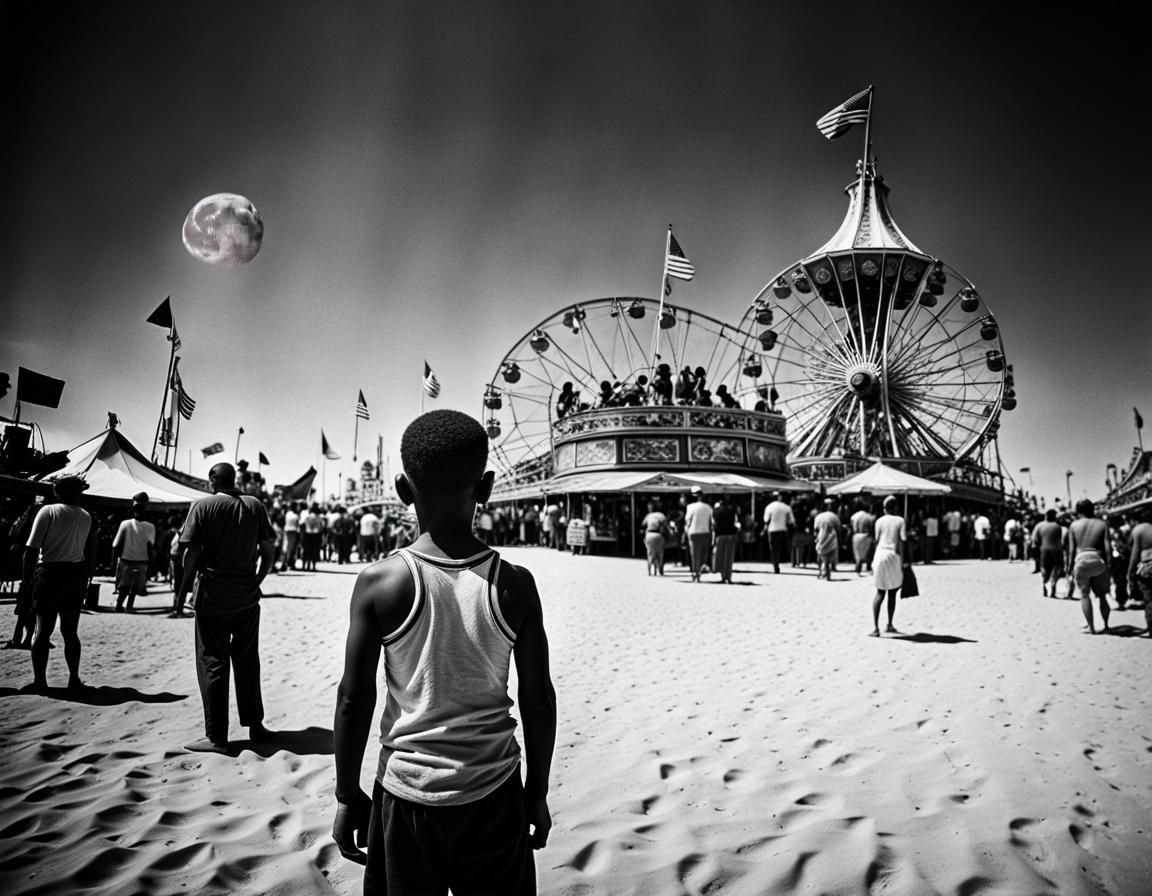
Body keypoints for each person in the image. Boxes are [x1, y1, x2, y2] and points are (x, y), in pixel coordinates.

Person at [332, 410, 556, 894]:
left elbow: (353, 699)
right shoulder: (514, 585)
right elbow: (538, 699)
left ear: (401, 489)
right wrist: (535, 793)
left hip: (405, 795)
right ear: (487, 487)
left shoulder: (379, 583)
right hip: (494, 794)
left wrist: (347, 793)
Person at [175, 463, 277, 753]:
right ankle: (256, 726)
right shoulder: (255, 505)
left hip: (212, 596)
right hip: (246, 595)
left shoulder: (202, 506)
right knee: (247, 661)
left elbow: (191, 553)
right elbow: (268, 548)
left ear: (212, 480)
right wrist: (259, 577)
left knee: (213, 662)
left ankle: (217, 737)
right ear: (235, 479)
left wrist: (182, 590)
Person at [20, 476, 96, 691]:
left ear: (57, 491)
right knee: (70, 632)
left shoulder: (47, 511)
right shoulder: (85, 516)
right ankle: (74, 679)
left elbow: (32, 549)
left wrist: (26, 582)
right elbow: (88, 551)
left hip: (50, 574)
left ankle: (40, 682)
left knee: (42, 631)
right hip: (75, 576)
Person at [1066, 499, 1112, 634]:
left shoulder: (1074, 525)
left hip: (1081, 560)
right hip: (1098, 559)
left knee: (1085, 595)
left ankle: (1091, 627)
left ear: (1078, 512)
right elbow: (1107, 547)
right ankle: (1106, 625)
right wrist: (1109, 565)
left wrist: (1069, 566)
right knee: (1102, 596)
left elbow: (1071, 549)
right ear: (1092, 509)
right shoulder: (1102, 524)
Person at [111, 492, 156, 612]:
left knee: (127, 586)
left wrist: (114, 562)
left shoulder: (126, 524)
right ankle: (124, 605)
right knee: (131, 586)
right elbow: (150, 547)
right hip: (137, 561)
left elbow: (115, 545)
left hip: (130, 561)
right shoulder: (149, 526)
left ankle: (122, 605)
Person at [870, 495, 907, 637]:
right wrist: (904, 561)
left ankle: (875, 628)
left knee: (880, 592)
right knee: (892, 593)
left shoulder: (879, 521)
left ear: (885, 508)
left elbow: (876, 540)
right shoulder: (900, 520)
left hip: (879, 554)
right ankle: (889, 624)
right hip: (893, 555)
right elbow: (902, 540)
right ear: (896, 507)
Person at [1126, 509, 1152, 637]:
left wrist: (1130, 573)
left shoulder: (1139, 530)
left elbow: (1134, 556)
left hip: (1147, 567)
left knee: (1149, 599)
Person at [1032, 509, 1064, 598]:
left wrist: (1035, 552)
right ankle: (1053, 585)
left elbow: (1035, 540)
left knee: (1045, 569)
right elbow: (1060, 541)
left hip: (1044, 550)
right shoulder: (1057, 527)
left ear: (1045, 516)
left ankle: (1045, 583)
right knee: (1055, 569)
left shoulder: (1039, 526)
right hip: (1056, 551)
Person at [684, 487, 713, 582]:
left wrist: (686, 532)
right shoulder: (708, 507)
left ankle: (695, 573)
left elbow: (688, 521)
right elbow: (711, 522)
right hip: (705, 532)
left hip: (693, 532)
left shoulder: (690, 507)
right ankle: (699, 573)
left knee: (694, 554)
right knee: (702, 554)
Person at [762, 492, 795, 574]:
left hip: (772, 530)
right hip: (782, 529)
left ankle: (775, 564)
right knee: (780, 548)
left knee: (773, 549)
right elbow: (791, 521)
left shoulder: (769, 507)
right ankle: (778, 563)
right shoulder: (786, 507)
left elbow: (766, 520)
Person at [813, 498, 841, 581]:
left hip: (821, 537)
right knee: (830, 557)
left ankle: (820, 571)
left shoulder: (818, 516)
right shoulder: (834, 516)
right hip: (832, 538)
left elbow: (815, 529)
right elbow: (839, 528)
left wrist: (816, 539)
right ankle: (828, 571)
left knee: (820, 556)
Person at [712, 496, 738, 584]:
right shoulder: (732, 511)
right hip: (730, 535)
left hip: (720, 535)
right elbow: (735, 522)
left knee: (721, 556)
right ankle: (728, 576)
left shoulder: (716, 510)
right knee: (729, 557)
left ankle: (723, 576)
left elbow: (714, 523)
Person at [640, 501, 669, 576]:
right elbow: (666, 526)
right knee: (660, 553)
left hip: (649, 535)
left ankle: (649, 571)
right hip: (658, 535)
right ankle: (660, 570)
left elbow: (643, 524)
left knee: (650, 553)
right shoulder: (661, 515)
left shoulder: (649, 515)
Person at [849, 500, 876, 576]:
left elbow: (851, 529)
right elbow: (871, 528)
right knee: (868, 553)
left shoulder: (853, 516)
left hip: (856, 535)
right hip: (865, 535)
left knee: (857, 554)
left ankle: (858, 566)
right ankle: (868, 566)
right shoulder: (869, 517)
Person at [282, 502, 301, 571]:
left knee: (288, 548)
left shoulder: (287, 514)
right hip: (293, 532)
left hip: (287, 531)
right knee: (292, 549)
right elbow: (297, 525)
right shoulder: (295, 515)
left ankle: (286, 563)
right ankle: (290, 563)